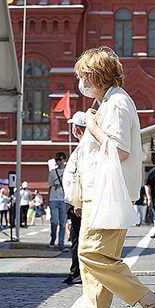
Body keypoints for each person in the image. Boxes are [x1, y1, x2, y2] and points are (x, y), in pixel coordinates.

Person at [68, 47, 155, 308]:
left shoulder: (117, 104)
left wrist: (93, 125)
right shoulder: (109, 103)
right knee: (92, 262)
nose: (81, 82)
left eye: (84, 76)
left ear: (96, 75)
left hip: (109, 194)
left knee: (91, 254)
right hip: (97, 194)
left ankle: (150, 300)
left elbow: (119, 150)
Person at [62, 112, 87, 285]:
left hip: (78, 203)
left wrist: (79, 203)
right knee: (76, 238)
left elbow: (83, 176)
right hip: (75, 202)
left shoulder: (85, 147)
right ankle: (76, 271)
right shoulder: (83, 146)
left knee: (79, 239)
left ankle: (79, 272)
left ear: (76, 128)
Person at [48, 152, 68, 251]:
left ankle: (61, 243)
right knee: (54, 221)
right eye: (57, 160)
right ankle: (53, 237)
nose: (59, 162)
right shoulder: (52, 172)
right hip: (53, 199)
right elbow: (49, 186)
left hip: (64, 199)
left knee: (63, 223)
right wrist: (48, 199)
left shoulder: (68, 172)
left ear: (64, 160)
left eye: (60, 159)